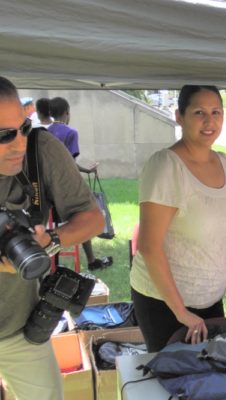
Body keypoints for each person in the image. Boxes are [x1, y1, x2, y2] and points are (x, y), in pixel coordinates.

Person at [0, 76, 104, 400]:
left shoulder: (39, 149)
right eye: (4, 135)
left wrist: (51, 242)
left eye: (24, 127)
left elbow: (93, 219)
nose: (19, 143)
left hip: (20, 327)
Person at [130, 85, 226, 352]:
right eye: (199, 112)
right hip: (163, 303)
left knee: (213, 376)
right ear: (179, 116)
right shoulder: (165, 166)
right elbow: (149, 247)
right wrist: (181, 312)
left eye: (216, 112)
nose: (209, 121)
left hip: (210, 298)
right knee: (174, 382)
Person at [48, 96, 112, 271]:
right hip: (65, 191)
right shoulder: (70, 133)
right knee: (84, 216)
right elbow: (69, 165)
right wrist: (87, 170)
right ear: (67, 112)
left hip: (46, 194)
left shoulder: (44, 132)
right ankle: (91, 260)